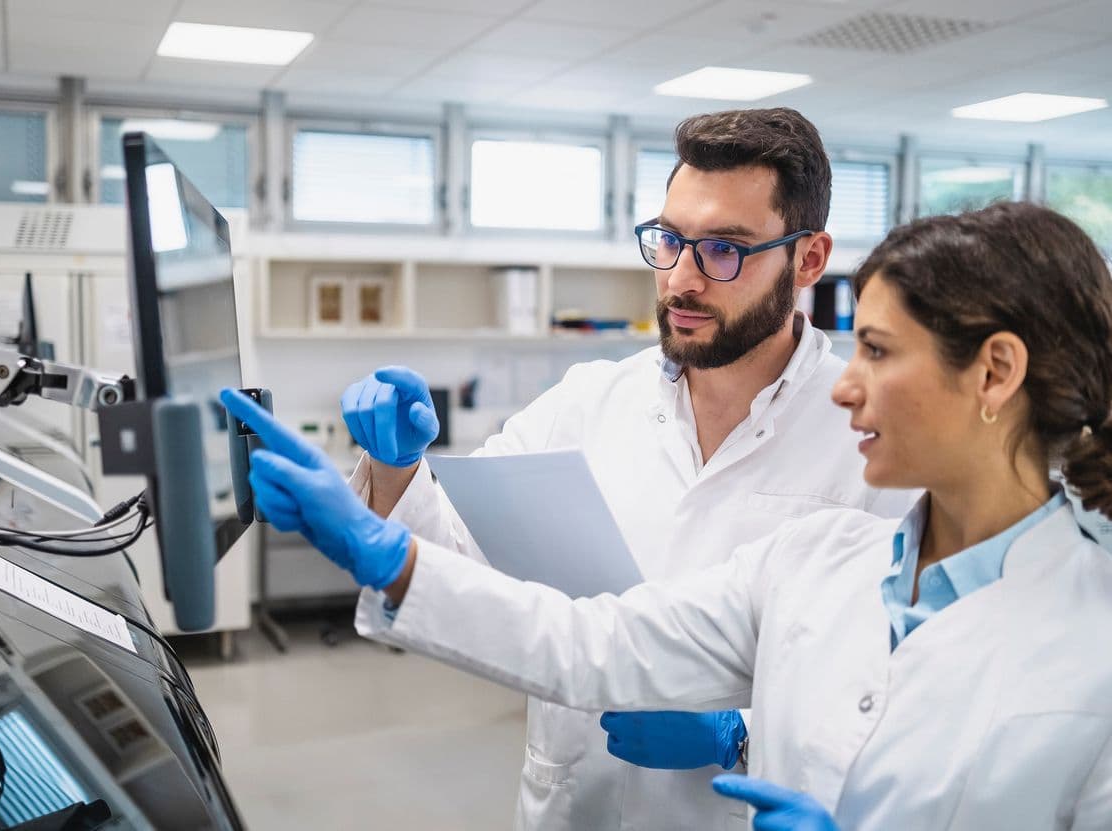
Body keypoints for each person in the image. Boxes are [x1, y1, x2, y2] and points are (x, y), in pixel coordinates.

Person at [223, 200, 1112, 829]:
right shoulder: (817, 558)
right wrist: (385, 549)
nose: (848, 383)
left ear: (994, 373)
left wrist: (736, 736)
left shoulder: (1090, 646)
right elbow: (585, 642)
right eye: (670, 242)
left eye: (876, 351)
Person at [333, 107, 916, 831]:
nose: (682, 279)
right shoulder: (589, 401)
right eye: (669, 240)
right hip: (577, 801)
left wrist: (739, 729)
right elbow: (457, 562)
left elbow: (904, 679)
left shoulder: (871, 440)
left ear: (807, 259)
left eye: (724, 250)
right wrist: (396, 471)